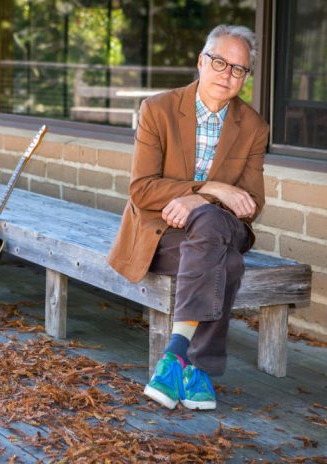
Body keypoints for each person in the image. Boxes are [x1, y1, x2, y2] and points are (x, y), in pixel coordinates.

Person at [106, 24, 268, 411]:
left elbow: (251, 204)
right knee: (226, 263)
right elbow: (142, 189)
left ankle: (173, 356)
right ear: (200, 61)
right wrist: (211, 190)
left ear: (246, 77)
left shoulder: (254, 126)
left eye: (239, 69)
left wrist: (199, 203)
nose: (227, 74)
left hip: (219, 228)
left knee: (211, 224)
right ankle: (199, 369)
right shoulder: (157, 109)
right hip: (162, 236)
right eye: (219, 62)